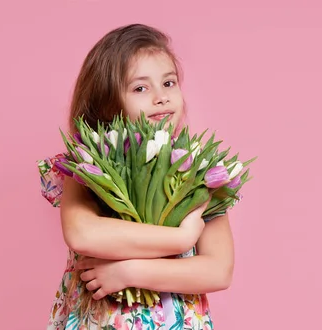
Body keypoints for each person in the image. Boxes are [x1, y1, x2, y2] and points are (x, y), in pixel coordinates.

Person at [37, 23, 237, 330]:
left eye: (169, 83)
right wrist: (181, 238)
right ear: (107, 103)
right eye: (140, 88)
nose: (160, 97)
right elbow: (83, 233)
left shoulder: (197, 171)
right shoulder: (88, 165)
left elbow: (217, 270)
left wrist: (129, 273)